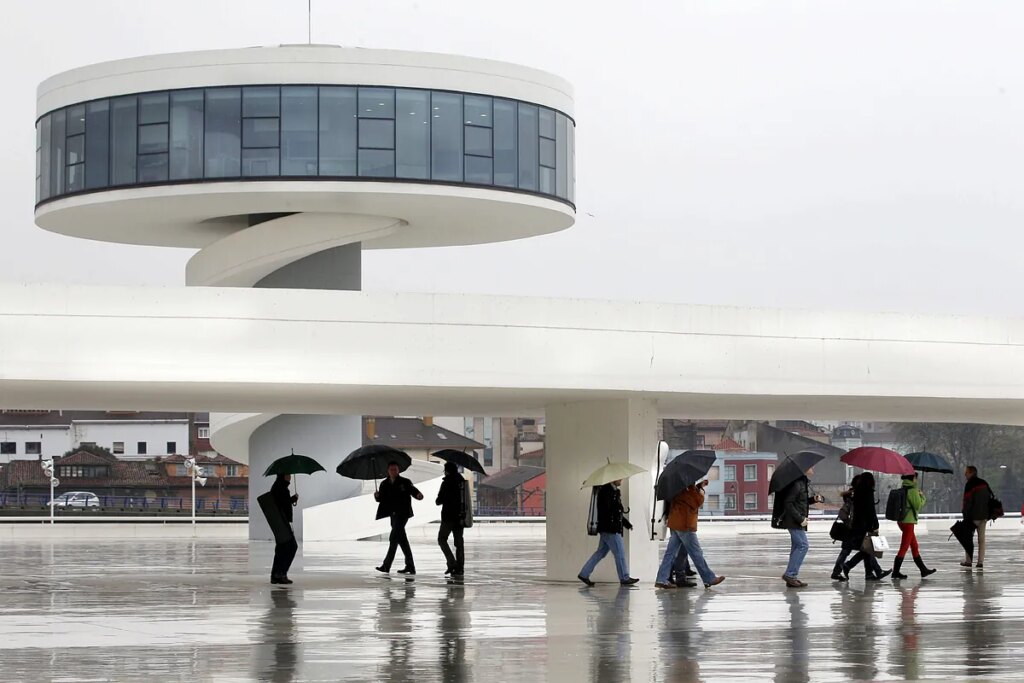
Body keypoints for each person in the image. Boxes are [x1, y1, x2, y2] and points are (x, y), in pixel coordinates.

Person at [655, 480, 725, 589]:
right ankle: (709, 578)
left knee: (670, 553)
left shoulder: (676, 486)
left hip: (676, 523)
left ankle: (661, 579)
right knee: (696, 552)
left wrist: (696, 487)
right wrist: (700, 489)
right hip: (685, 525)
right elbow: (697, 502)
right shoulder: (687, 488)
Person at [577, 479, 639, 586]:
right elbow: (610, 511)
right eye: (619, 479)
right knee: (619, 553)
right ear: (613, 479)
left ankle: (584, 574)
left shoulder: (613, 491)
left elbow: (616, 513)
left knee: (600, 552)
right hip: (610, 529)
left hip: (607, 528)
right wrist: (617, 504)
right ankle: (624, 577)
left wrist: (626, 524)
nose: (621, 481)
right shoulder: (606, 492)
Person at [774, 466, 823, 588]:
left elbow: (800, 501)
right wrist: (800, 519)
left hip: (796, 520)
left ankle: (792, 577)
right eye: (811, 466)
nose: (813, 468)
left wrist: (813, 500)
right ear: (804, 469)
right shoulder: (797, 484)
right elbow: (788, 503)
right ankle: (790, 575)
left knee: (797, 546)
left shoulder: (801, 483)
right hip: (794, 521)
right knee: (803, 545)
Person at [840, 472, 892, 581]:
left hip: (857, 525)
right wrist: (875, 525)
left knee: (866, 550)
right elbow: (871, 511)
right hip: (866, 526)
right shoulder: (868, 492)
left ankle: (869, 573)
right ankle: (851, 566)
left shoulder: (857, 493)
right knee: (867, 550)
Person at [375, 461, 424, 575]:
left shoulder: (405, 482)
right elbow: (381, 499)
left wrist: (418, 495)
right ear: (388, 471)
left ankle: (386, 566)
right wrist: (376, 497)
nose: (393, 471)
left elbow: (414, 491)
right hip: (392, 514)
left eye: (395, 469)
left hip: (403, 514)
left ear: (398, 470)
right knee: (402, 540)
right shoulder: (384, 484)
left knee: (393, 538)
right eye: (391, 469)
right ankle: (410, 566)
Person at [892, 473, 936, 579]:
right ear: (913, 478)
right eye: (916, 478)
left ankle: (923, 570)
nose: (917, 480)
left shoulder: (904, 487)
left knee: (914, 546)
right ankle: (895, 572)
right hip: (908, 522)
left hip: (902, 520)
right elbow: (917, 505)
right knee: (904, 547)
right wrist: (922, 496)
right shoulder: (912, 490)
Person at [435, 461, 466, 576]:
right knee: (459, 543)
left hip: (448, 517)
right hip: (460, 517)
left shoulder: (446, 482)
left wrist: (439, 500)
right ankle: (460, 568)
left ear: (447, 471)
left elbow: (439, 500)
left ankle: (452, 563)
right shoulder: (462, 482)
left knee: (442, 539)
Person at [270, 473, 299, 584]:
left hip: (280, 522)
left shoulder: (279, 486)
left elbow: (282, 503)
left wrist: (292, 499)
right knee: (291, 546)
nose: (290, 476)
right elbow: (283, 504)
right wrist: (293, 499)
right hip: (282, 522)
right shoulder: (280, 487)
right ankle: (281, 573)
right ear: (283, 476)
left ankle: (276, 575)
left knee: (282, 548)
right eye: (288, 474)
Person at [830, 475, 860, 581]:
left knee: (846, 551)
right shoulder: (853, 497)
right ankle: (841, 569)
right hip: (852, 530)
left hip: (852, 529)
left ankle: (837, 571)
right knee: (864, 550)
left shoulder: (852, 495)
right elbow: (843, 513)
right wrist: (850, 523)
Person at [961, 465, 991, 568]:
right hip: (984, 516)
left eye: (967, 472)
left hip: (972, 517)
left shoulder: (969, 485)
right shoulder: (984, 483)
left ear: (972, 473)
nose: (965, 474)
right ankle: (980, 562)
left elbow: (967, 502)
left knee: (968, 539)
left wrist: (965, 515)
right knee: (981, 540)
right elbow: (990, 498)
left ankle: (968, 561)